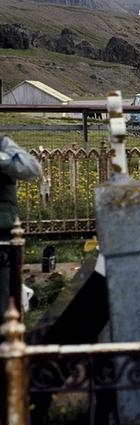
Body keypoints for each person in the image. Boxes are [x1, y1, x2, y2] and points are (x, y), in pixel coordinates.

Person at [0, 134, 43, 316]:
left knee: (4, 302)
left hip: (2, 237)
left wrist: (2, 159)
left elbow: (32, 168)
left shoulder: (3, 144)